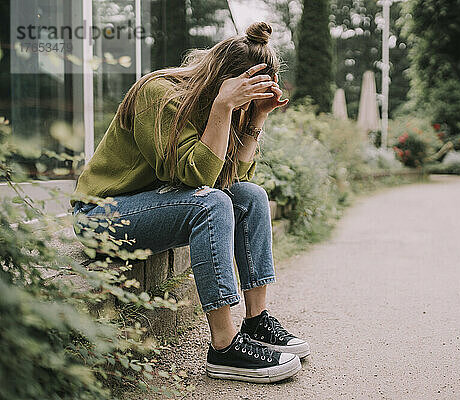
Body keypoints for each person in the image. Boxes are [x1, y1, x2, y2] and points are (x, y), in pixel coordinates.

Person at [70, 21, 309, 383]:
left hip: (156, 205)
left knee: (251, 197)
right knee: (210, 203)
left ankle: (257, 322)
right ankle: (225, 347)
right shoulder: (159, 93)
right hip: (103, 215)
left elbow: (236, 182)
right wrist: (223, 107)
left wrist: (255, 116)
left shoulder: (228, 106)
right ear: (221, 78)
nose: (245, 102)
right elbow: (198, 181)